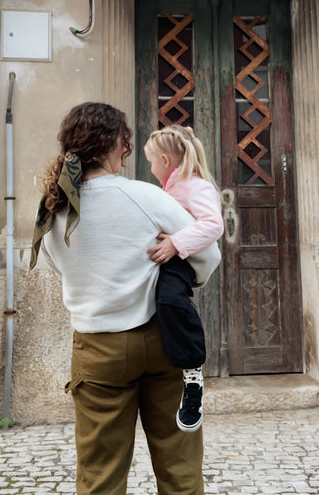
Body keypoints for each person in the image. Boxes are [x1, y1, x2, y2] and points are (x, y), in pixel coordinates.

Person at [30, 102, 221, 495]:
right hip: (162, 339)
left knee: (100, 474)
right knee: (180, 466)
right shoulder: (146, 197)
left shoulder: (54, 207)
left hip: (98, 349)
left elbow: (54, 264)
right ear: (118, 143)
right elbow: (208, 253)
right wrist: (177, 276)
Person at [144, 125, 224, 433]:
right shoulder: (171, 186)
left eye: (151, 161)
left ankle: (193, 377)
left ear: (165, 159)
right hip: (169, 260)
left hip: (182, 261)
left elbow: (214, 225)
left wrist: (175, 243)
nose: (150, 168)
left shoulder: (195, 185)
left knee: (171, 301)